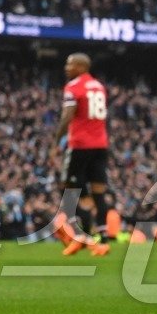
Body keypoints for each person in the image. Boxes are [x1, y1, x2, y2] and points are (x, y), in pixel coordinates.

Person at [54, 52, 112, 257]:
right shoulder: (99, 86)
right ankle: (103, 240)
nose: (66, 67)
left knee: (69, 190)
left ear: (81, 66)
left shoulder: (73, 87)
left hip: (79, 145)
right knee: (97, 193)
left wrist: (56, 140)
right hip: (100, 145)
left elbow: (68, 115)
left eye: (70, 64)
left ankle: (82, 237)